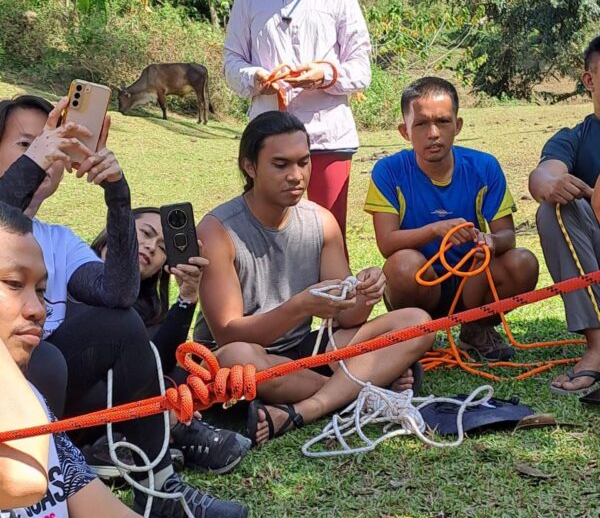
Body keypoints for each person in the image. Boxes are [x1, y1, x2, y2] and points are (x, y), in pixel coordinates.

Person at [0, 200, 335, 518]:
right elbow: (21, 480)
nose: (38, 308)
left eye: (43, 290)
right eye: (14, 285)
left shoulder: (29, 398)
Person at [0, 94, 246, 518]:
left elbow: (117, 293)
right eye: (27, 144)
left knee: (117, 325)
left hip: (55, 394)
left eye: (54, 144)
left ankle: (159, 490)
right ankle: (41, 506)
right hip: (15, 388)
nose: (46, 154)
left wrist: (118, 196)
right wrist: (35, 161)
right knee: (46, 361)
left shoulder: (57, 240)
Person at [196, 111, 433, 447]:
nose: (297, 176)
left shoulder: (320, 221)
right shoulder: (218, 230)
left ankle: (299, 411)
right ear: (250, 167)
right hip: (246, 354)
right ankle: (371, 387)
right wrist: (300, 306)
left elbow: (347, 316)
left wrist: (364, 294)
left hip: (305, 353)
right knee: (239, 359)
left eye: (303, 162)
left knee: (417, 322)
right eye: (281, 165)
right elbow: (227, 332)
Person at [224, 0, 371, 249]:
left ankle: (334, 304)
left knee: (327, 237)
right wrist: (255, 77)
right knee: (272, 238)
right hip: (267, 138)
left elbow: (362, 67)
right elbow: (231, 62)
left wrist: (326, 74)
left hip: (327, 139)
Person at [365, 76, 539, 362]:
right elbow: (387, 243)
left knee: (523, 262)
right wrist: (436, 230)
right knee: (401, 264)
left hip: (474, 278)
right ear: (404, 131)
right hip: (419, 281)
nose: (433, 133)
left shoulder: (484, 166)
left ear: (457, 125)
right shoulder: (388, 171)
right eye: (421, 124)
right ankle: (419, 332)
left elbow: (507, 236)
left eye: (443, 122)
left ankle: (477, 328)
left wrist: (489, 241)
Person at [90, 206, 251, 474]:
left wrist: (188, 295)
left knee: (182, 369)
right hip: (76, 397)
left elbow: (154, 361)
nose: (151, 247)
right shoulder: (76, 271)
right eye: (145, 233)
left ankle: (130, 443)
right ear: (117, 227)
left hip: (124, 402)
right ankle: (169, 430)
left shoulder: (145, 306)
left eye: (163, 247)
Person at [529, 35, 600, 399]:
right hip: (595, 258)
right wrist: (553, 185)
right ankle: (599, 346)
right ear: (589, 80)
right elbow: (543, 177)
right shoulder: (574, 138)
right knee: (556, 206)